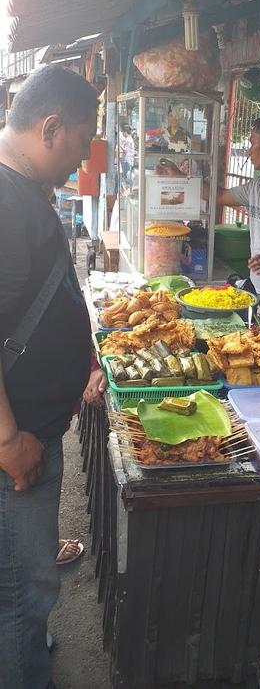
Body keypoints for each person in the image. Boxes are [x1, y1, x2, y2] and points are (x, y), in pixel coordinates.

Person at [0, 64, 100, 689]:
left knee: (21, 575)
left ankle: (25, 639)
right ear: (50, 127)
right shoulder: (6, 207)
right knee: (22, 585)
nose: (80, 164)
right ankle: (22, 656)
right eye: (79, 147)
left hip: (32, 421)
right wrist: (9, 440)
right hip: (20, 437)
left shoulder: (21, 190)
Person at [157, 114, 260, 335]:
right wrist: (179, 176)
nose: (248, 150)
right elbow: (219, 195)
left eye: (252, 143)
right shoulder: (258, 186)